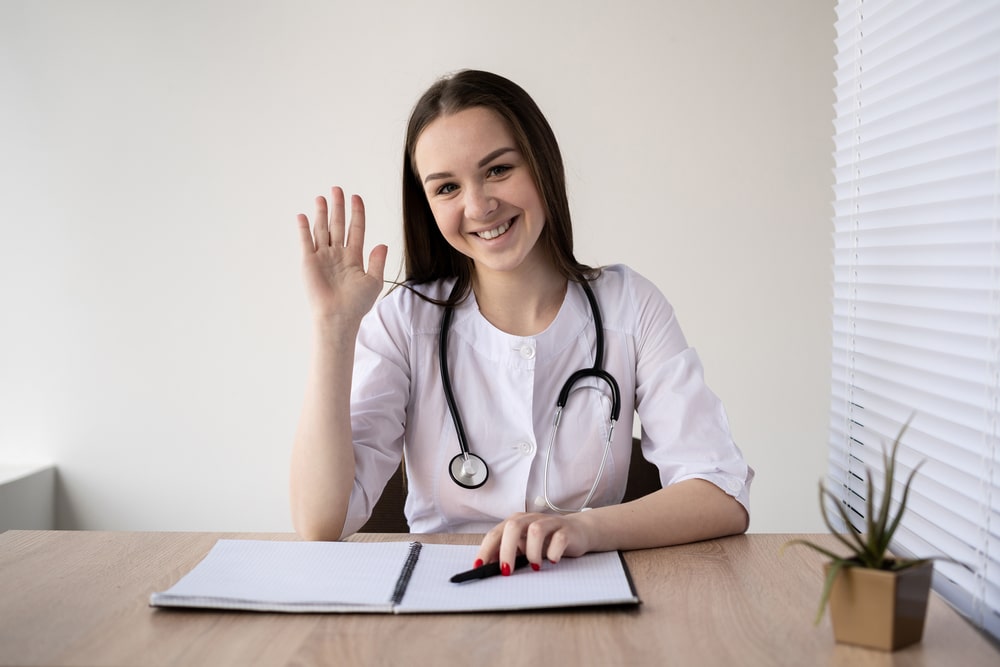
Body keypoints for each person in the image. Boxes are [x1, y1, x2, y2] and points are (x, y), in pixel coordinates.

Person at [291, 69, 753, 576]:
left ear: (540, 163)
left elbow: (720, 491)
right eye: (447, 187)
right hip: (443, 596)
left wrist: (586, 529)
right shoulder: (405, 322)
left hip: (584, 590)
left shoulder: (630, 306)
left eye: (497, 170)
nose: (479, 205)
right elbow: (320, 522)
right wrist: (333, 328)